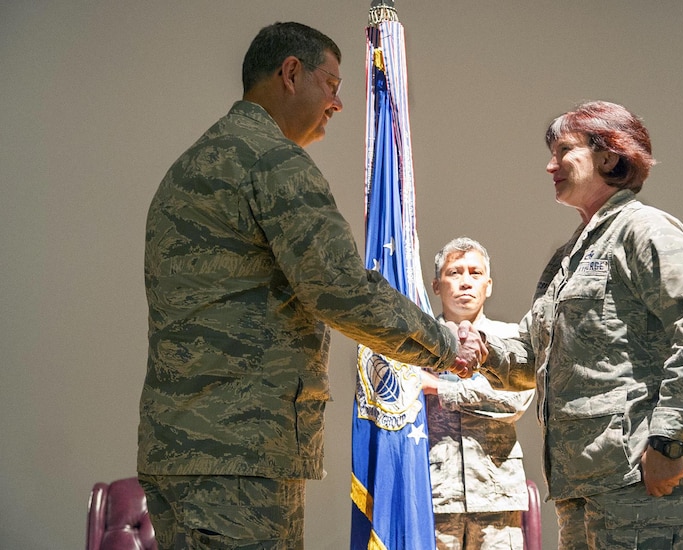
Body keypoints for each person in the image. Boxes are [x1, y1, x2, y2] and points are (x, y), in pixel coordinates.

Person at [137, 22, 485, 550]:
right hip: (242, 455)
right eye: (331, 83)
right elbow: (339, 287)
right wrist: (441, 344)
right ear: (291, 73)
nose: (338, 103)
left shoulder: (190, 167)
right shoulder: (272, 161)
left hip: (179, 450)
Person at [475, 101, 683, 549]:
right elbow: (532, 356)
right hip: (582, 491)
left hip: (642, 485)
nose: (550, 166)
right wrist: (472, 346)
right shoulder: (567, 259)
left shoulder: (645, 230)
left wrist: (668, 442)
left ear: (608, 156)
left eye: (563, 150)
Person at [420, 237, 536, 550]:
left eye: (475, 273)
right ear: (436, 285)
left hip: (495, 494)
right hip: (433, 494)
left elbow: (514, 398)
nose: (466, 283)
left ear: (489, 284)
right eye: (454, 273)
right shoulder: (418, 342)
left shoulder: (511, 339)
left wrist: (438, 389)